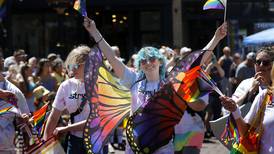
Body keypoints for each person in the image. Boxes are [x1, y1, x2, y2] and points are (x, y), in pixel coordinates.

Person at [83, 16, 227, 154]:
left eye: (152, 59)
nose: (148, 63)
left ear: (160, 62)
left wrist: (216, 38)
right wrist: (94, 31)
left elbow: (196, 62)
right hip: (136, 144)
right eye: (143, 61)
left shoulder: (170, 83)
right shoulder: (133, 80)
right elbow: (112, 57)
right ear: (139, 64)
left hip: (162, 145)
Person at [221, 52, 274, 154]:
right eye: (258, 62)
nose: (261, 65)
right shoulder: (246, 84)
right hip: (249, 143)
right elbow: (232, 109)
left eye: (266, 63)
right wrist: (250, 92)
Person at [43, 45, 92, 154]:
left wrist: (66, 129)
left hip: (96, 141)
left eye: (77, 65)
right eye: (71, 65)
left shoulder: (101, 85)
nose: (73, 69)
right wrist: (46, 144)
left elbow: (94, 121)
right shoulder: (66, 85)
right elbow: (54, 116)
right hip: (74, 142)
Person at [0, 50, 30, 153]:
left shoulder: (14, 91)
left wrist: (23, 119)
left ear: (2, 61)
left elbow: (25, 119)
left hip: (6, 148)